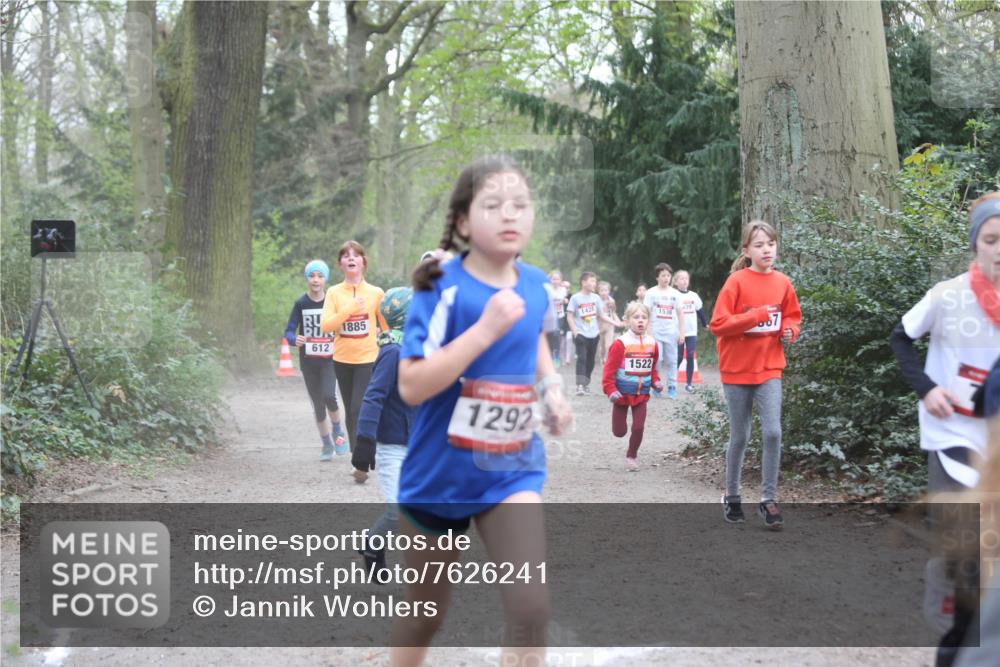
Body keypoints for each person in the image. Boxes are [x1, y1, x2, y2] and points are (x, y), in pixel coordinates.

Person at [389, 156, 572, 667]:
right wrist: (484, 330)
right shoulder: (440, 287)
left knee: (530, 608)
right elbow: (411, 386)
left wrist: (552, 389)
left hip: (511, 469)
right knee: (425, 615)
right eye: (493, 205)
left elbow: (534, 337)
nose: (509, 214)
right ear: (464, 223)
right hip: (438, 476)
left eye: (520, 204)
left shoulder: (535, 285)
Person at [889, 192, 999, 663]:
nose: (999, 250)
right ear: (975, 244)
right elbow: (900, 337)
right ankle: (955, 630)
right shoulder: (948, 295)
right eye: (991, 240)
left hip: (995, 438)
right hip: (952, 431)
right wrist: (928, 389)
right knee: (964, 541)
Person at [710, 221, 801, 529]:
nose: (766, 250)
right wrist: (755, 316)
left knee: (773, 432)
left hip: (769, 368)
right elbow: (718, 324)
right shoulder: (736, 282)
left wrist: (790, 329)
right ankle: (732, 495)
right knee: (741, 435)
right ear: (747, 251)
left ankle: (768, 499)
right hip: (736, 369)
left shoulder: (783, 282)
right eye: (759, 245)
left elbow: (792, 316)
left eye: (771, 244)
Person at [354, 286, 416, 575]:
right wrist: (364, 440)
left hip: (417, 444)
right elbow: (373, 397)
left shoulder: (419, 349)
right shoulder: (392, 352)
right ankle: (372, 543)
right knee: (397, 511)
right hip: (392, 446)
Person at [320, 240, 388, 483]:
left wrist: (389, 346)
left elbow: (385, 325)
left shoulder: (376, 293)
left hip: (368, 358)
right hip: (342, 359)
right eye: (346, 255)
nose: (351, 258)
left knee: (360, 407)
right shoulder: (334, 293)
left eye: (356, 255)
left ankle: (362, 462)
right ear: (340, 264)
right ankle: (356, 458)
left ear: (363, 262)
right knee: (350, 410)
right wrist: (348, 309)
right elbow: (326, 325)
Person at [283, 260, 346, 460]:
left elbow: (343, 324)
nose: (315, 280)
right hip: (308, 361)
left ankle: (338, 432)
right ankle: (326, 444)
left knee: (329, 396)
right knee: (318, 405)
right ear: (307, 279)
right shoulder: (301, 303)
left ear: (325, 279)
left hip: (329, 359)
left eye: (320, 276)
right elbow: (289, 331)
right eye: (311, 276)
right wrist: (294, 339)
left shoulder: (332, 301)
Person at [602, 301, 662, 471]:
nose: (640, 320)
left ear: (648, 320)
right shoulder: (621, 343)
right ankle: (622, 435)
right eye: (636, 317)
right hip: (621, 395)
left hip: (641, 394)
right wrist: (610, 390)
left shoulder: (652, 343)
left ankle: (632, 455)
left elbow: (652, 367)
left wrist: (655, 381)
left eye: (644, 317)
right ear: (627, 320)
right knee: (619, 432)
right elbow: (609, 371)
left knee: (638, 427)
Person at [567, 272, 614, 395]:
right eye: (592, 281)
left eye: (595, 281)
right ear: (583, 282)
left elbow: (602, 315)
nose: (594, 284)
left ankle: (585, 384)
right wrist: (575, 332)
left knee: (590, 361)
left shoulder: (596, 298)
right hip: (581, 334)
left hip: (594, 334)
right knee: (581, 358)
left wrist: (616, 323)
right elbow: (569, 316)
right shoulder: (575, 298)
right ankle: (580, 386)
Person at [643, 263, 685, 399]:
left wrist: (682, 333)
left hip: (671, 332)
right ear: (657, 277)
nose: (666, 278)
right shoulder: (651, 293)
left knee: (672, 360)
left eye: (668, 275)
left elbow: (680, 314)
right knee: (658, 359)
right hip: (655, 332)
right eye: (663, 275)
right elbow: (646, 313)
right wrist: (647, 331)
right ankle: (657, 384)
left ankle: (672, 386)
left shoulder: (675, 294)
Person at [673, 270, 709, 393]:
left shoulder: (693, 296)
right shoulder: (673, 295)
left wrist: (705, 324)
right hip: (678, 332)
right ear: (676, 282)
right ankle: (672, 380)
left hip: (691, 331)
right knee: (678, 357)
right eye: (681, 278)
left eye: (686, 278)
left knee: (690, 355)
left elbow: (700, 310)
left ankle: (688, 384)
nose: (684, 281)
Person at [545, 270, 569, 367]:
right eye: (553, 279)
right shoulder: (547, 289)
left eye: (557, 279)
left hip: (559, 316)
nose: (555, 281)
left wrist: (565, 300)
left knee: (556, 334)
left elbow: (564, 299)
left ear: (560, 280)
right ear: (550, 280)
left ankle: (556, 356)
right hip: (549, 316)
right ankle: (549, 356)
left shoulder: (563, 290)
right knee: (549, 336)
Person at [597, 280, 623, 366]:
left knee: (608, 345)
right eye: (602, 290)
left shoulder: (611, 300)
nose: (604, 292)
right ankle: (602, 357)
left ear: (609, 291)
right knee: (602, 346)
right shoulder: (597, 300)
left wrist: (618, 321)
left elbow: (613, 312)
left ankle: (607, 360)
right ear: (598, 291)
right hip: (599, 325)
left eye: (606, 290)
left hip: (610, 325)